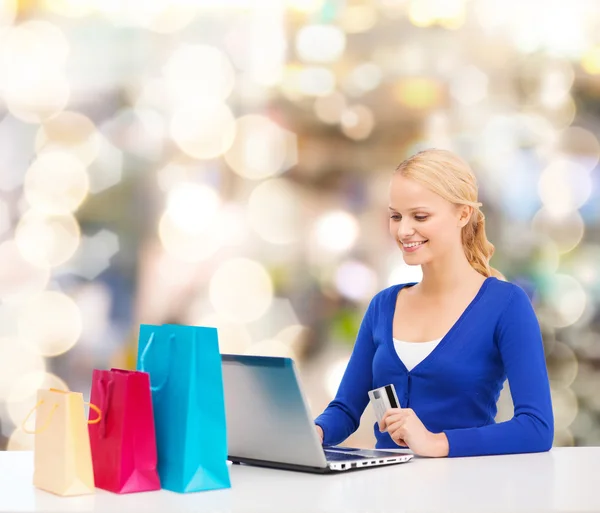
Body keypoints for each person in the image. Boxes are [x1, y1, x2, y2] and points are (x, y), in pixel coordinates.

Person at [314, 148, 554, 458]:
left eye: (420, 216)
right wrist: (314, 431)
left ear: (463, 214)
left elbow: (536, 427)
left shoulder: (506, 304)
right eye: (395, 216)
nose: (403, 230)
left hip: (465, 493)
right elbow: (346, 410)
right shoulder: (383, 306)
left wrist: (437, 442)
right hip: (384, 493)